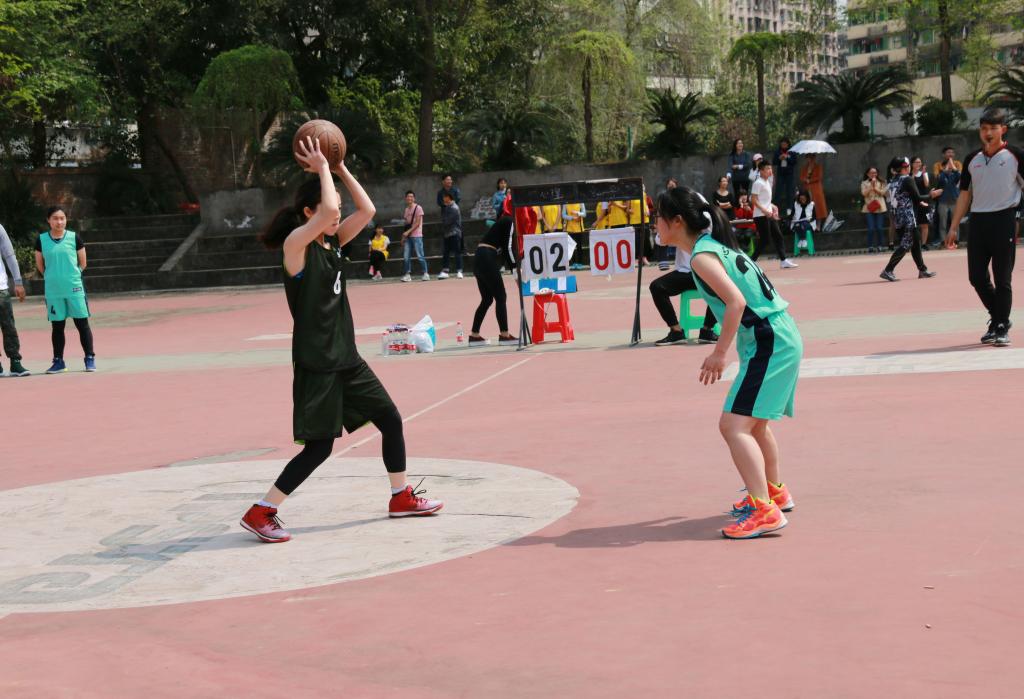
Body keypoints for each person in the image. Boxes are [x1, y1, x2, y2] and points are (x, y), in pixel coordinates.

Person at [239, 137, 442, 544]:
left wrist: (340, 166)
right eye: (328, 209)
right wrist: (321, 168)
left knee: (391, 420)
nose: (337, 214)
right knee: (319, 448)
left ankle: (400, 496)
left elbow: (366, 210)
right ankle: (262, 510)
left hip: (347, 358)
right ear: (308, 213)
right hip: (318, 362)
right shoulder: (296, 246)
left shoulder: (332, 243)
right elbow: (332, 210)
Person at [654, 186, 802, 539]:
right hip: (777, 336)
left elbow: (735, 302)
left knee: (733, 426)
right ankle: (774, 492)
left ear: (677, 221)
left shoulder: (702, 258)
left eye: (658, 216)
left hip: (769, 341)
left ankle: (764, 510)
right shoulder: (713, 248)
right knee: (754, 425)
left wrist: (719, 353)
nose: (654, 223)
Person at [946, 107, 1023, 347]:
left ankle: (1000, 326)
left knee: (1002, 278)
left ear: (1003, 129)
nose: (988, 133)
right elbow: (964, 195)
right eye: (983, 128)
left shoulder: (1015, 155)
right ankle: (998, 317)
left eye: (993, 128)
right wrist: (953, 226)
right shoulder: (972, 159)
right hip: (978, 222)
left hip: (1004, 220)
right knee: (976, 277)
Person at [34, 206, 96, 374]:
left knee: (82, 324)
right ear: (48, 220)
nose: (59, 222)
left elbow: (83, 263)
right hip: (54, 291)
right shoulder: (41, 240)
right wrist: (52, 277)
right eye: (55, 218)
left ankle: (89, 358)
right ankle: (58, 361)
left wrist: (71, 276)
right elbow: (40, 265)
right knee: (57, 326)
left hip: (74, 288)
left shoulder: (74, 237)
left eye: (62, 218)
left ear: (66, 220)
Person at [469, 202, 519, 347]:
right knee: (501, 297)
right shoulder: (509, 220)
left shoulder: (501, 222)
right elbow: (508, 248)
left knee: (487, 299)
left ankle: (474, 335)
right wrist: (515, 272)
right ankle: (504, 335)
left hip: (480, 257)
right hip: (486, 257)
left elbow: (504, 249)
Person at [649, 244, 719, 346]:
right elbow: (661, 241)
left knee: (724, 287)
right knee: (656, 286)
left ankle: (707, 329)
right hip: (684, 272)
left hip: (707, 271)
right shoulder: (680, 232)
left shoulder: (711, 233)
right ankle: (676, 331)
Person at [880, 156, 936, 282]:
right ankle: (888, 270)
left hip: (898, 217)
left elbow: (905, 197)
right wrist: (931, 195)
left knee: (915, 242)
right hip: (908, 217)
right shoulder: (907, 179)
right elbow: (917, 197)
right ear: (905, 167)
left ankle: (922, 269)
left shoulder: (893, 180)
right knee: (907, 244)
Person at [750, 161, 799, 269]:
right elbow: (753, 200)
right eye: (767, 169)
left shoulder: (767, 182)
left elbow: (764, 199)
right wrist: (764, 211)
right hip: (760, 216)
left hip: (769, 214)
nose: (770, 171)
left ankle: (783, 260)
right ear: (761, 171)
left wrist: (773, 206)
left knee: (778, 236)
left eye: (770, 168)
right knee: (765, 240)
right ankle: (751, 261)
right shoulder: (758, 183)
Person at [0, 223, 29, 376]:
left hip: (0, 288)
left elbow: (9, 255)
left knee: (8, 326)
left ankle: (15, 362)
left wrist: (18, 282)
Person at [932, 154, 961, 247]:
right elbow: (939, 179)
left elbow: (959, 176)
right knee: (942, 223)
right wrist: (945, 169)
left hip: (954, 201)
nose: (950, 167)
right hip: (943, 202)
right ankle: (943, 240)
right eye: (948, 166)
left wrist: (953, 166)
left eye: (951, 166)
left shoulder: (955, 175)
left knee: (955, 222)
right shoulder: (942, 175)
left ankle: (956, 240)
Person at [400, 190, 429, 282]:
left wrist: (407, 232)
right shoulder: (406, 210)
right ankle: (407, 274)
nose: (410, 198)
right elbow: (406, 224)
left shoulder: (418, 208)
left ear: (414, 198)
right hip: (408, 236)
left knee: (420, 255)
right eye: (408, 196)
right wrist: (403, 237)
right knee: (406, 256)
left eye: (411, 196)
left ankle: (425, 273)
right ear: (406, 198)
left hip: (417, 235)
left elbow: (417, 223)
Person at [861, 167, 888, 252]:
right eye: (871, 173)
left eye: (875, 172)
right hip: (869, 208)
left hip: (880, 207)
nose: (873, 174)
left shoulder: (882, 182)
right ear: (868, 174)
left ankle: (880, 245)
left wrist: (875, 187)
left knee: (879, 228)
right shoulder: (864, 183)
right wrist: (871, 186)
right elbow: (864, 193)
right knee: (871, 228)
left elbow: (883, 193)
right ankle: (870, 246)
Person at [438, 191, 463, 279]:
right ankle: (445, 271)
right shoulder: (447, 207)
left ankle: (459, 271)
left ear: (449, 198)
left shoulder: (454, 208)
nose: (444, 200)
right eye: (443, 198)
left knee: (457, 252)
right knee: (446, 252)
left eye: (445, 198)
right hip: (447, 233)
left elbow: (448, 221)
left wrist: (443, 221)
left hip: (455, 233)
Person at [801, 153, 828, 230]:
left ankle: (818, 225)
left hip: (816, 189)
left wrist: (810, 180)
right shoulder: (805, 168)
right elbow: (801, 177)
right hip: (807, 189)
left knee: (818, 207)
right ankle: (811, 225)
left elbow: (819, 177)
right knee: (808, 207)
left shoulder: (818, 167)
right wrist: (805, 179)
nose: (809, 159)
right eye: (807, 158)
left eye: (810, 157)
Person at [910, 156, 932, 247]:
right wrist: (913, 174)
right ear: (912, 164)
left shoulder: (924, 173)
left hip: (924, 200)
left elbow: (927, 184)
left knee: (924, 224)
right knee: (913, 225)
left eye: (919, 162)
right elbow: (910, 185)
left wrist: (923, 173)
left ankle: (924, 244)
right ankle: (914, 244)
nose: (918, 164)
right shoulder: (909, 174)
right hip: (913, 201)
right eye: (916, 162)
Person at [773, 137, 797, 217]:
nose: (783, 145)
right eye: (782, 144)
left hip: (789, 174)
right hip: (780, 174)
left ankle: (789, 208)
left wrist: (787, 157)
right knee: (778, 191)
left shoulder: (792, 151)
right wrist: (779, 158)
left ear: (788, 144)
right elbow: (774, 162)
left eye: (785, 144)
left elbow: (794, 161)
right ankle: (775, 208)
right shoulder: (777, 152)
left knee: (789, 191)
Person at [790, 190, 816, 255]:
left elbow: (814, 216)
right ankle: (802, 239)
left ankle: (802, 239)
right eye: (801, 199)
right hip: (798, 222)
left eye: (804, 199)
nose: (802, 200)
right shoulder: (796, 204)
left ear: (807, 198)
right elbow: (791, 215)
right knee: (797, 225)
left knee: (803, 224)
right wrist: (790, 219)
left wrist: (810, 220)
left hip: (808, 223)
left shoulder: (811, 204)